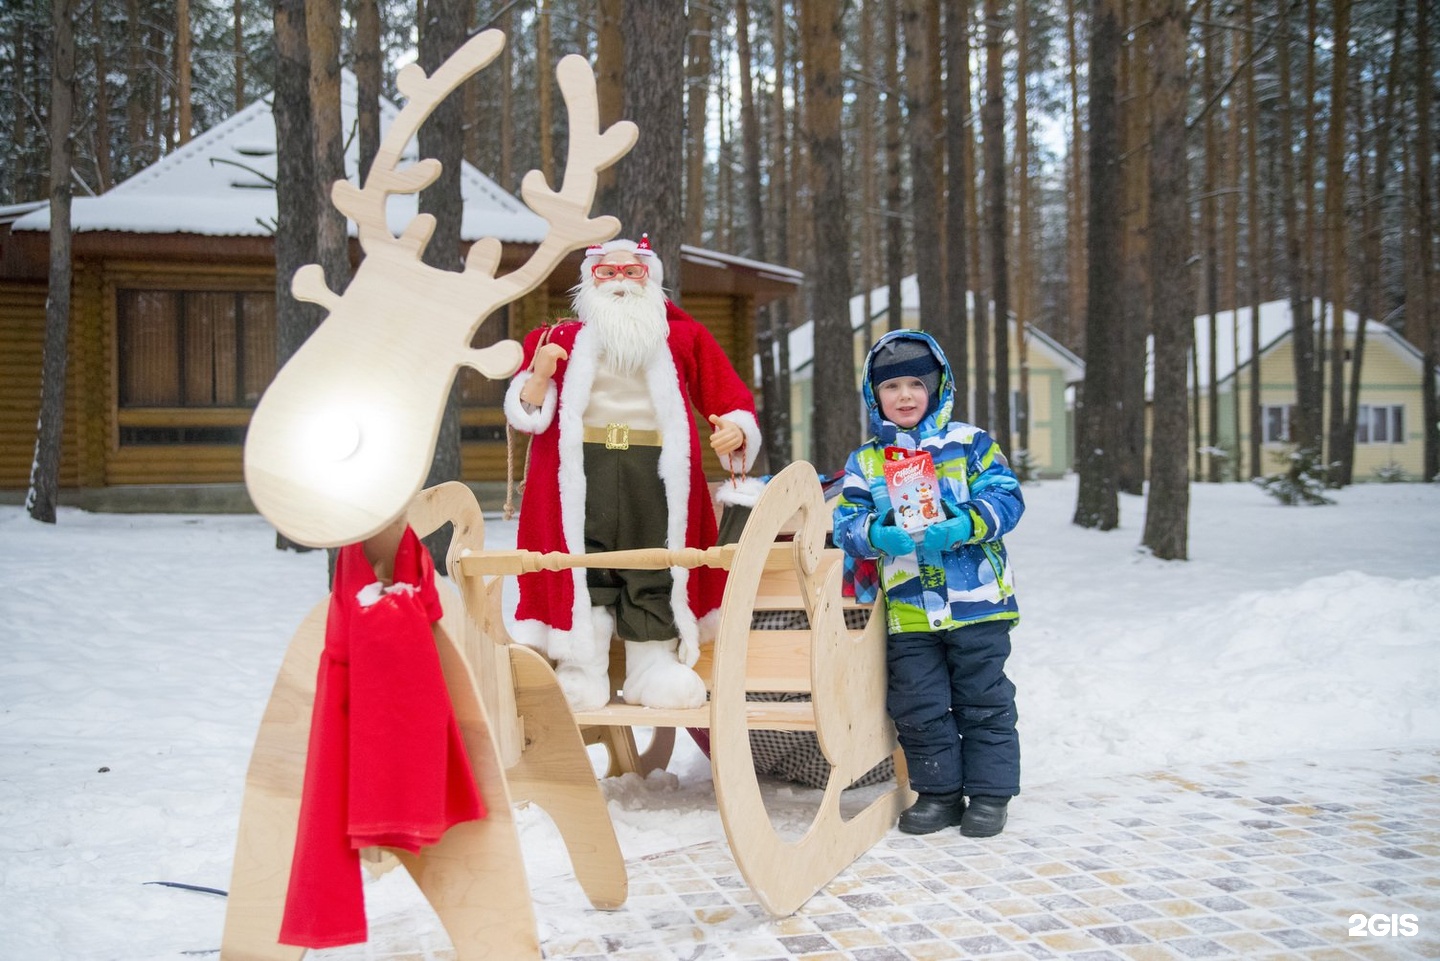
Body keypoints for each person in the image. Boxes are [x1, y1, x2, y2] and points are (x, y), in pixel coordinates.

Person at [504, 236, 761, 712]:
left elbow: (728, 398)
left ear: (651, 279)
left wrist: (736, 432)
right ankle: (581, 671)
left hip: (655, 473)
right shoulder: (557, 340)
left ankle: (652, 669)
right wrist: (538, 376)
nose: (620, 282)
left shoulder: (684, 338)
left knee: (656, 564)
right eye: (608, 273)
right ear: (590, 281)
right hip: (582, 473)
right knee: (584, 566)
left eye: (632, 272)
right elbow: (526, 415)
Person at [832, 329, 1024, 837]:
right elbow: (846, 525)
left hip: (978, 603)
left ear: (937, 387)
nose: (905, 397)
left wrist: (967, 523)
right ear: (875, 396)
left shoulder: (970, 443)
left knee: (983, 698)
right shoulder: (866, 462)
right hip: (909, 610)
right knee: (918, 705)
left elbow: (1007, 498)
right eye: (891, 387)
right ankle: (938, 793)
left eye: (916, 384)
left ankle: (989, 795)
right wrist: (876, 534)